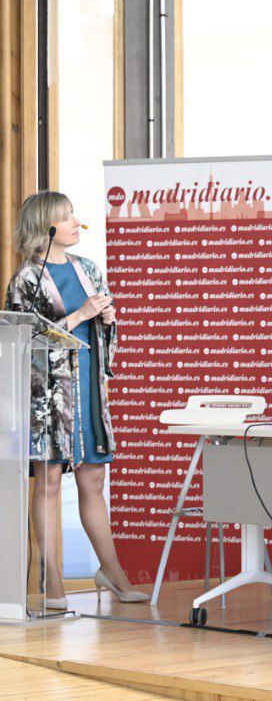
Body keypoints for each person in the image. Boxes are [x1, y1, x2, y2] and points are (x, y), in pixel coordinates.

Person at [4, 191, 146, 607]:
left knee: (94, 481)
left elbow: (103, 335)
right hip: (46, 399)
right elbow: (22, 341)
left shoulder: (88, 268)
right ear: (47, 228)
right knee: (48, 482)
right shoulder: (26, 278)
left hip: (87, 389)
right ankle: (52, 583)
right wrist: (82, 314)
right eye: (67, 218)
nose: (76, 223)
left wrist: (106, 320)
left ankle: (113, 573)